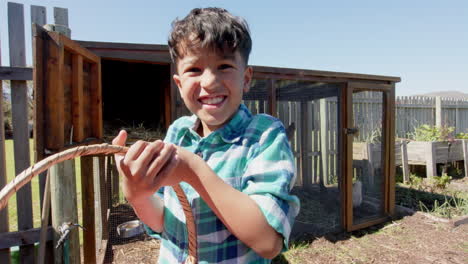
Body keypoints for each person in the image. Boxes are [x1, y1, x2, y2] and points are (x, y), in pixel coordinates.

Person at [113, 7, 300, 263]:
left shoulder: (264, 135)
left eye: (224, 66)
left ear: (246, 79)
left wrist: (194, 171)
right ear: (179, 85)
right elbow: (160, 222)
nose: (210, 82)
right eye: (194, 70)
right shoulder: (178, 132)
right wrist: (136, 192)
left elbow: (268, 242)